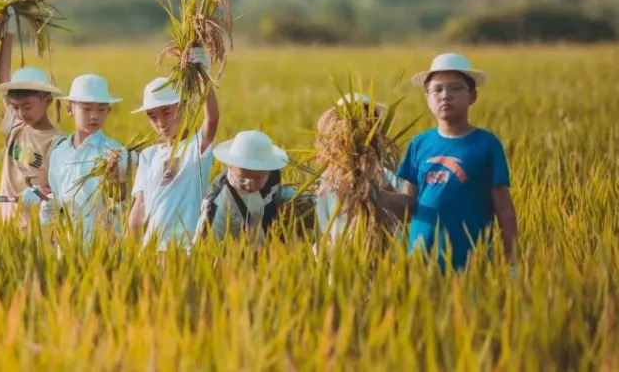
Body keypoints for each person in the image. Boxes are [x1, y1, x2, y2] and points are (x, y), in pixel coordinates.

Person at [375, 53, 518, 272]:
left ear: (472, 96)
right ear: (427, 98)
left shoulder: (487, 144)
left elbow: (505, 209)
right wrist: (375, 194)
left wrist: (513, 262)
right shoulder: (419, 144)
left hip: (469, 262)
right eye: (437, 90)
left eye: (456, 88)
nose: (445, 96)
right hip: (420, 263)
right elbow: (408, 206)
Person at [128, 48, 220, 250]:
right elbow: (140, 207)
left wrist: (202, 74)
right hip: (151, 248)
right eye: (152, 116)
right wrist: (131, 252)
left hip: (186, 246)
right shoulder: (148, 156)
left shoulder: (196, 147)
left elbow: (211, 120)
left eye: (167, 112)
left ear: (184, 106)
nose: (160, 122)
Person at [0, 9, 66, 226]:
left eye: (27, 106)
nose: (21, 113)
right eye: (15, 107)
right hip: (6, 222)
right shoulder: (16, 125)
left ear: (47, 100)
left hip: (36, 225)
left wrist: (44, 194)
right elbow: (3, 77)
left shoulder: (58, 142)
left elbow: (61, 187)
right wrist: (9, 33)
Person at [45, 74, 131, 244]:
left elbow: (120, 198)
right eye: (86, 109)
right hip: (66, 242)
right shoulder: (58, 153)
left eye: (101, 109)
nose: (94, 116)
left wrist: (116, 176)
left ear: (108, 111)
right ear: (70, 109)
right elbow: (56, 196)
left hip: (102, 242)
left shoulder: (113, 151)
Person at [314, 94, 404, 243]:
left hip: (385, 248)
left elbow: (403, 209)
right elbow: (324, 219)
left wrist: (378, 183)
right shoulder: (330, 175)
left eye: (367, 121)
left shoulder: (386, 168)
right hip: (342, 249)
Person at [193, 130, 295, 248]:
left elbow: (278, 193)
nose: (250, 185)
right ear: (230, 167)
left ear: (268, 171)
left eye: (258, 180)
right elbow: (206, 241)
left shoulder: (273, 178)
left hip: (266, 241)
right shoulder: (218, 200)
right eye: (242, 180)